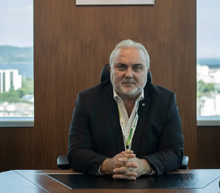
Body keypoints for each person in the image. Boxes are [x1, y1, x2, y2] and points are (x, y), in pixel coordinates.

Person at [68, 40, 184, 180]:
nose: (129, 74)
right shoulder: (88, 100)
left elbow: (174, 152)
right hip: (100, 186)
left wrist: (143, 166)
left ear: (146, 72)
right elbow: (76, 152)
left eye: (136, 68)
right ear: (111, 70)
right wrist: (109, 165)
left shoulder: (165, 101)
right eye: (121, 67)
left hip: (151, 187)